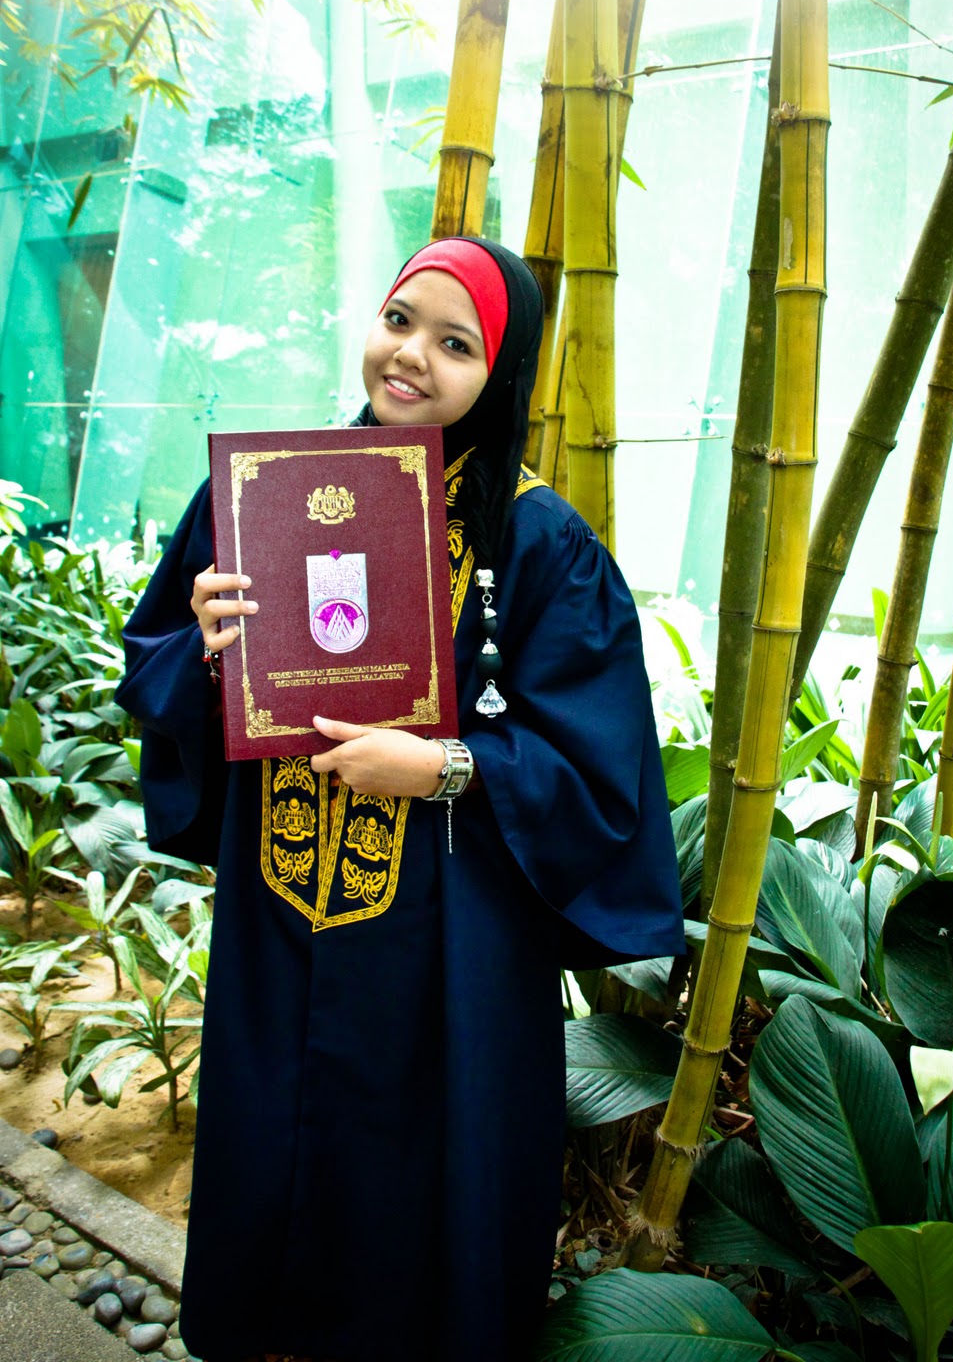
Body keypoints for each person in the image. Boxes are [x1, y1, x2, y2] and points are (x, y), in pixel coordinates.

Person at [116, 236, 686, 1362]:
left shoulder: (538, 542)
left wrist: (438, 767)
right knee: (269, 1158)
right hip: (281, 915)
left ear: (500, 373)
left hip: (446, 947)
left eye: (454, 343)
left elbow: (597, 776)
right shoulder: (258, 493)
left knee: (423, 1198)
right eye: (397, 320)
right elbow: (155, 666)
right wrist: (209, 649)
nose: (412, 354)